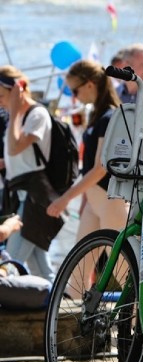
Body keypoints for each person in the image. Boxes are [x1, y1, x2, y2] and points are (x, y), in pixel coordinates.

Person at [46, 60, 126, 239]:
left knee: (122, 265)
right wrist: (84, 199)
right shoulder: (96, 116)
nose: (74, 97)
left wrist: (66, 198)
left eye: (75, 90)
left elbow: (100, 168)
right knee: (76, 265)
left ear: (90, 85)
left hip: (110, 202)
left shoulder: (110, 117)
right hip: (94, 202)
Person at [0, 65, 55, 280]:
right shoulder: (17, 118)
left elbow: (15, 147)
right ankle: (59, 307)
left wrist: (13, 110)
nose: (0, 101)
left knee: (10, 262)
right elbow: (13, 157)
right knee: (40, 265)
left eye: (2, 96)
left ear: (17, 90)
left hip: (34, 197)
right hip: (20, 194)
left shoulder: (37, 115)